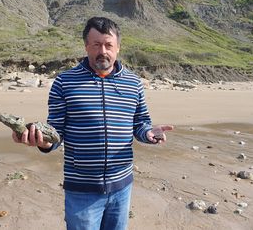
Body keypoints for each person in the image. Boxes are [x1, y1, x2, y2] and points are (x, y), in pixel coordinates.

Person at [11, 16, 173, 230]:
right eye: (96, 44)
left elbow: (140, 122)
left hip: (122, 187)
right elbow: (55, 132)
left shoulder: (133, 83)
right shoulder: (64, 82)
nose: (103, 51)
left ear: (118, 48)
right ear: (86, 46)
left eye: (108, 45)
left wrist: (148, 134)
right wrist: (43, 143)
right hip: (82, 191)